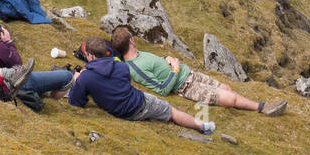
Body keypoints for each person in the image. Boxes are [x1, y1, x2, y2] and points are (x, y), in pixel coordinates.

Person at [111, 26, 285, 116]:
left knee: (225, 88)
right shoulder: (134, 68)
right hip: (186, 86)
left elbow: (156, 65)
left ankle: (260, 106)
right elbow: (162, 89)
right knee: (230, 98)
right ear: (131, 41)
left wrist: (167, 59)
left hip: (190, 74)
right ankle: (263, 108)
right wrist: (175, 69)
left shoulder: (139, 54)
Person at [68, 36, 214, 133]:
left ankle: (202, 126)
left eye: (86, 54)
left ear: (91, 56)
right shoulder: (121, 67)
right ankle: (203, 126)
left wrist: (77, 80)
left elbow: (75, 101)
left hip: (126, 110)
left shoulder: (86, 77)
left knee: (170, 111)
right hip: (137, 101)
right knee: (172, 112)